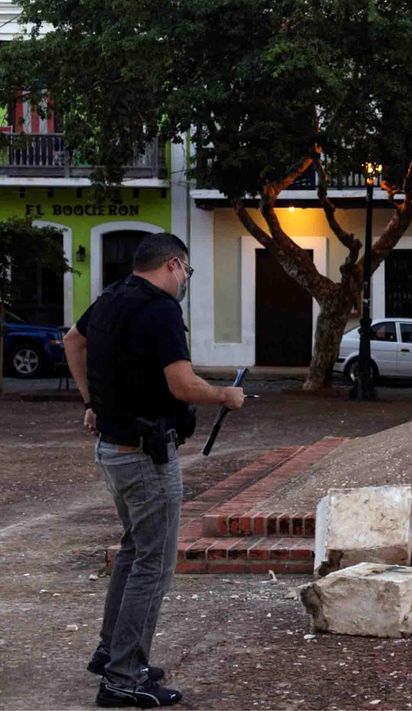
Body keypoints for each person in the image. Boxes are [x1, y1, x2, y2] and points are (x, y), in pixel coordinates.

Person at [63, 233, 244, 708]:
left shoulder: (110, 298)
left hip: (113, 449)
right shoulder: (161, 309)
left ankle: (112, 653)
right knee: (153, 567)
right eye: (187, 271)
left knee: (133, 552)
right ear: (173, 265)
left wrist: (93, 402)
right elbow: (182, 385)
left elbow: (72, 341)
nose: (186, 280)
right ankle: (124, 677)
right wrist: (225, 395)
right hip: (146, 457)